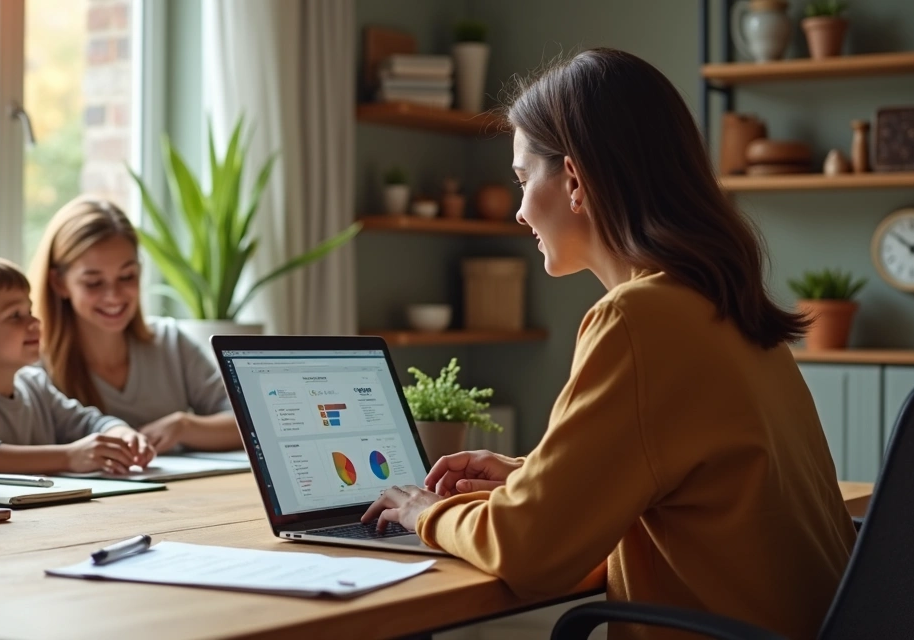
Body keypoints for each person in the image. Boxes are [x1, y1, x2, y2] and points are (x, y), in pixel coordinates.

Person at [363, 49, 855, 639]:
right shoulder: (722, 306)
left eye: (522, 180)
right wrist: (531, 478)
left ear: (574, 179)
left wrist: (427, 512)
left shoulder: (637, 318)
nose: (519, 213)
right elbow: (682, 477)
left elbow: (533, 553)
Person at [28, 197, 241, 454]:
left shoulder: (170, 342)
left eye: (127, 276)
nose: (114, 296)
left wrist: (183, 426)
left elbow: (249, 422)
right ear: (59, 283)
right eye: (94, 283)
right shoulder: (30, 363)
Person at [0, 256, 154, 474]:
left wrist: (121, 434)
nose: (35, 322)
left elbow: (87, 422)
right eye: (15, 315)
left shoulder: (34, 384)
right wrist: (68, 457)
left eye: (29, 310)